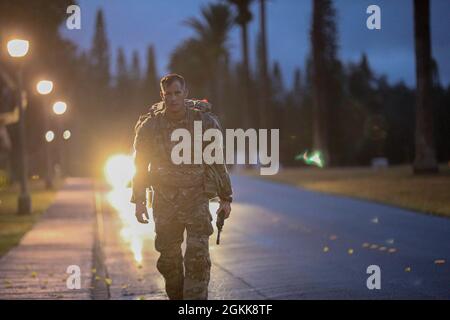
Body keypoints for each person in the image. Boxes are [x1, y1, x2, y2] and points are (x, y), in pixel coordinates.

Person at [131, 73, 233, 300]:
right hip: (165, 203)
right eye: (168, 94)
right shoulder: (150, 126)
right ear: (162, 95)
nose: (173, 98)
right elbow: (139, 164)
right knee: (169, 263)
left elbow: (217, 161)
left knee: (197, 260)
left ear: (185, 93)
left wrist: (226, 198)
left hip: (196, 199)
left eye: (177, 93)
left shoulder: (204, 122)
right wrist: (138, 200)